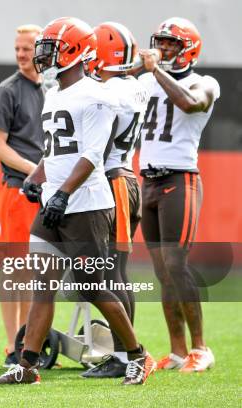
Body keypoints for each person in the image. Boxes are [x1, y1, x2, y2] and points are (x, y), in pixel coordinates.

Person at [0, 17, 155, 386]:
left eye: (51, 48)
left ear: (76, 51)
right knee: (41, 285)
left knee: (92, 285)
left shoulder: (96, 94)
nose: (43, 55)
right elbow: (56, 152)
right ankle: (27, 365)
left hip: (87, 204)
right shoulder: (56, 93)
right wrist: (35, 179)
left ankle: (137, 356)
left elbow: (93, 154)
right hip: (55, 201)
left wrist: (63, 193)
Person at [138, 17, 220, 373]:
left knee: (176, 264)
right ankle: (176, 351)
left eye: (172, 43)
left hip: (179, 179)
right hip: (148, 181)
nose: (165, 48)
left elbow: (190, 104)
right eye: (162, 42)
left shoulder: (206, 82)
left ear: (189, 49)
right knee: (161, 272)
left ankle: (201, 348)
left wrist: (155, 71)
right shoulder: (145, 79)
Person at [81, 21, 149, 378]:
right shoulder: (133, 85)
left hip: (112, 181)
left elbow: (99, 145)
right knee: (112, 273)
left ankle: (126, 355)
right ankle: (124, 353)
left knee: (111, 275)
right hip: (125, 177)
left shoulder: (107, 92)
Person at [0, 24, 45, 368]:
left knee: (39, 271)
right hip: (17, 189)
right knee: (15, 271)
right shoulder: (8, 91)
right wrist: (35, 170)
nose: (22, 54)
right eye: (18, 48)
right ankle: (13, 345)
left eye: (28, 48)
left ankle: (29, 341)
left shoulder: (54, 88)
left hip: (47, 191)